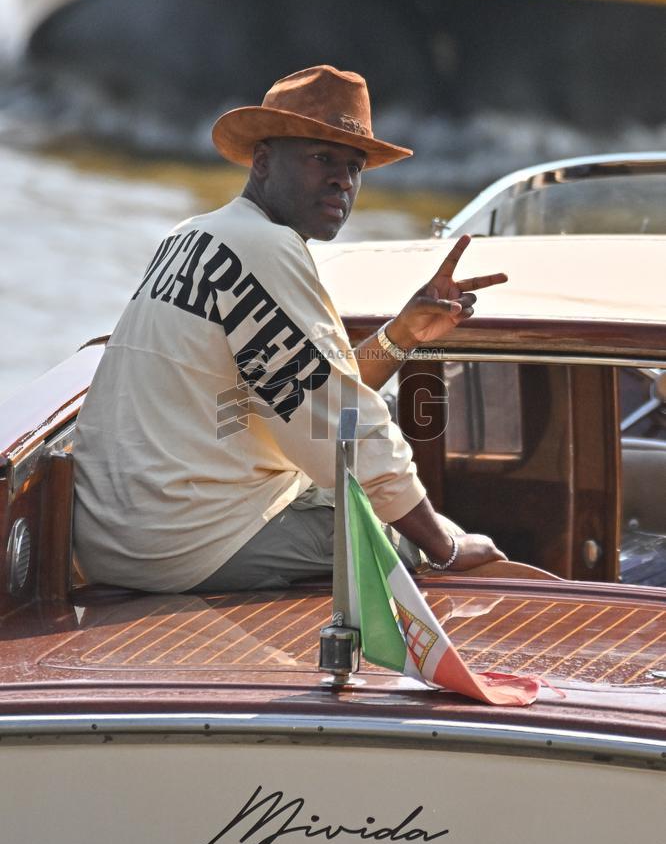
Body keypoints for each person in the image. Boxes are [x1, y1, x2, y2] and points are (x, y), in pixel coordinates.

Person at [73, 64, 508, 593]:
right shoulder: (266, 248)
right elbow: (345, 421)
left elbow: (301, 390)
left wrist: (405, 333)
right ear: (262, 161)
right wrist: (443, 547)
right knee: (457, 556)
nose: (342, 181)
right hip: (185, 543)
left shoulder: (193, 233)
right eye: (322, 158)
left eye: (354, 166)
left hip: (110, 539)